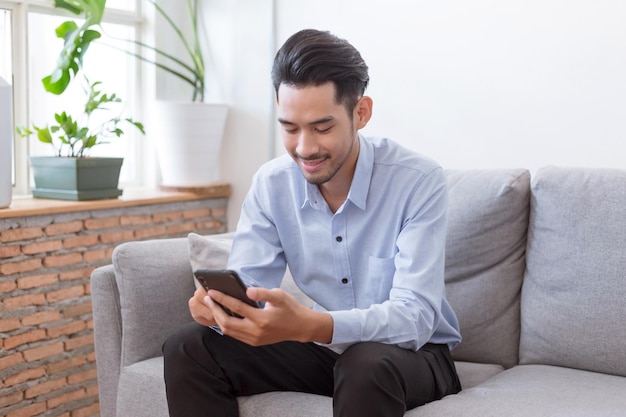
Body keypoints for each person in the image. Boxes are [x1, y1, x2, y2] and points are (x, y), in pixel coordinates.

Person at [163, 28, 462, 417]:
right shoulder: (272, 185)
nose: (304, 148)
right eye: (289, 128)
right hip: (326, 354)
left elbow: (415, 317)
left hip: (413, 355)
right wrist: (221, 312)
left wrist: (312, 326)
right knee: (190, 345)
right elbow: (249, 287)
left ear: (361, 113)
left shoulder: (418, 181)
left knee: (365, 365)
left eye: (322, 128)